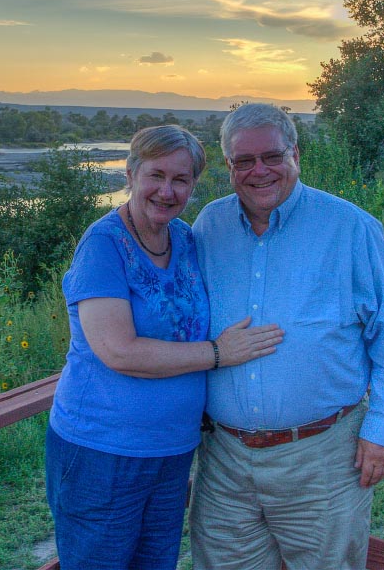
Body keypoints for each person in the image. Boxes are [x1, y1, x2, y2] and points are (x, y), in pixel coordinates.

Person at [189, 103, 384, 570]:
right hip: (223, 464)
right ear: (229, 167)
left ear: (295, 154)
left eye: (272, 156)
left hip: (321, 462)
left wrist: (383, 432)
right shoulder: (208, 227)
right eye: (243, 161)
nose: (259, 171)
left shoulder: (350, 228)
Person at [46, 124, 285, 570]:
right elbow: (119, 351)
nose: (167, 190)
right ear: (131, 173)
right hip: (103, 452)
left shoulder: (185, 240)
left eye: (181, 179)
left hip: (172, 451)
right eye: (156, 175)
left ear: (194, 185)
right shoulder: (103, 246)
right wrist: (218, 353)